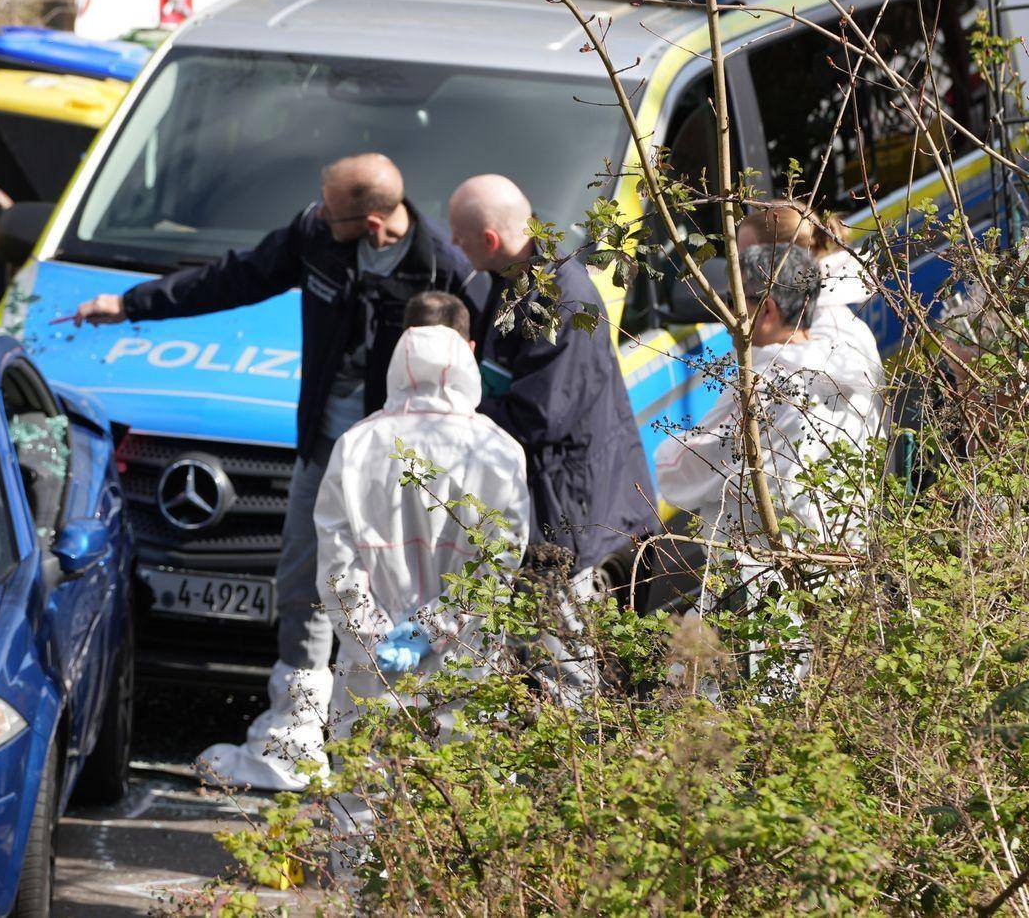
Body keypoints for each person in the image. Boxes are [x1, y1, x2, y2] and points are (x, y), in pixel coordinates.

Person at [58, 154, 477, 791]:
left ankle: (395, 761)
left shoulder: (443, 272)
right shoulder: (315, 238)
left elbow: (473, 385)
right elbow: (234, 278)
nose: (314, 216)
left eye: (329, 210)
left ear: (370, 222)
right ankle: (293, 740)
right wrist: (131, 304)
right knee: (304, 587)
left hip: (401, 474)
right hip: (322, 453)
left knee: (393, 601)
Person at [196, 293, 528, 789]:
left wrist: (375, 638)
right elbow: (497, 566)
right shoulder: (499, 451)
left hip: (371, 667)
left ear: (398, 356)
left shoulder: (357, 446)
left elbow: (336, 565)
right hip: (466, 659)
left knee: (364, 804)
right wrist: (431, 629)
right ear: (468, 356)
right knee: (458, 800)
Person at [445, 174, 659, 700]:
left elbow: (540, 413)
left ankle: (577, 771)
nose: (454, 246)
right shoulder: (509, 280)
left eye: (460, 236)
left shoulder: (560, 297)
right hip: (551, 499)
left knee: (567, 666)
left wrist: (455, 419)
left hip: (573, 512)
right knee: (536, 655)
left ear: (491, 241)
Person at [655, 243, 882, 612]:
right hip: (843, 559)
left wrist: (669, 451)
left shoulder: (766, 384)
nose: (727, 312)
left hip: (766, 586)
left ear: (768, 310)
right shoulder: (852, 351)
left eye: (732, 299)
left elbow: (682, 471)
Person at [738, 200, 883, 381]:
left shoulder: (827, 331)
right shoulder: (807, 314)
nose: (740, 270)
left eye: (746, 257)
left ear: (786, 259)